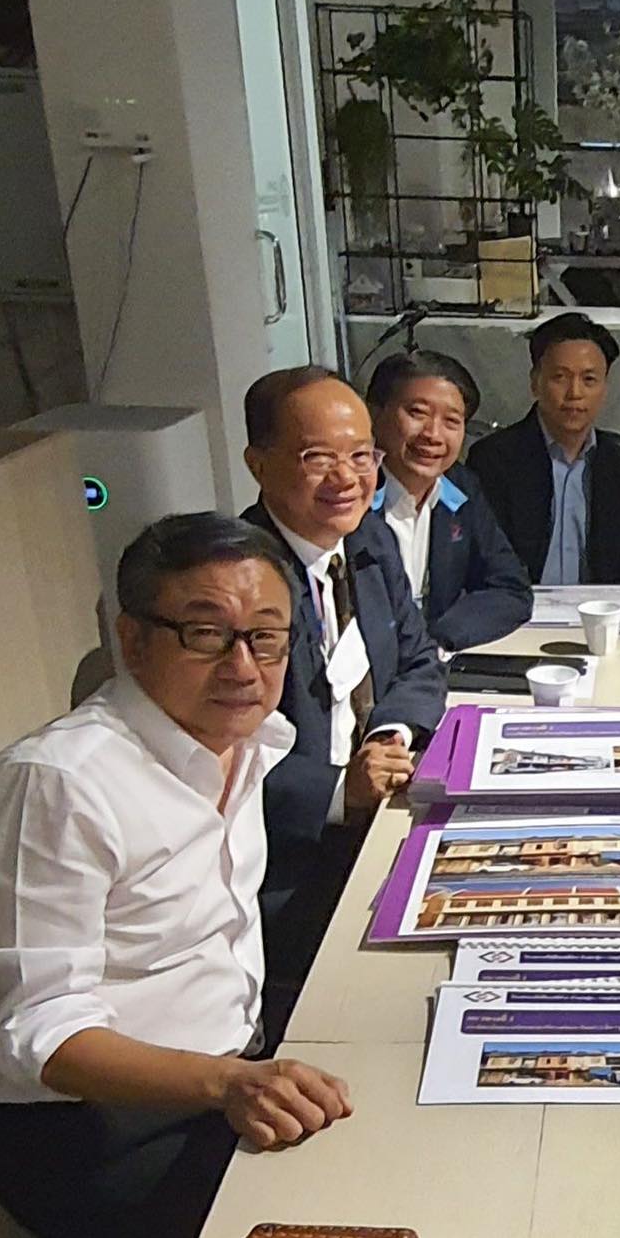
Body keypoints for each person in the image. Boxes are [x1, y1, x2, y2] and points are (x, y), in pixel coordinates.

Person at [0, 514, 356, 1238]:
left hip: (232, 1075)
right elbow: (35, 1032)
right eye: (206, 634)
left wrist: (240, 1078)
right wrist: (227, 1084)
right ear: (132, 640)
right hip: (97, 1135)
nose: (243, 665)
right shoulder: (60, 784)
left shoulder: (250, 742)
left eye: (266, 637)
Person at [239, 366, 447, 1005]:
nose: (347, 479)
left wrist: (388, 736)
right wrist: (338, 790)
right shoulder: (239, 582)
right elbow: (219, 753)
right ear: (258, 464)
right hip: (289, 866)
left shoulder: (368, 541)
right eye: (318, 458)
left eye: (361, 456)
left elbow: (419, 660)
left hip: (379, 819)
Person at [466, 311, 620, 584]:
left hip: (603, 608)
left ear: (604, 387)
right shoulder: (494, 460)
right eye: (560, 377)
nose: (575, 393)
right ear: (535, 383)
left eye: (589, 380)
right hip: (518, 605)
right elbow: (481, 566)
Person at [364, 348, 533, 651]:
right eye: (417, 413)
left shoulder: (460, 487)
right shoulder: (350, 494)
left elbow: (510, 588)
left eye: (452, 421)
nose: (433, 434)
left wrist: (438, 640)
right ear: (374, 414)